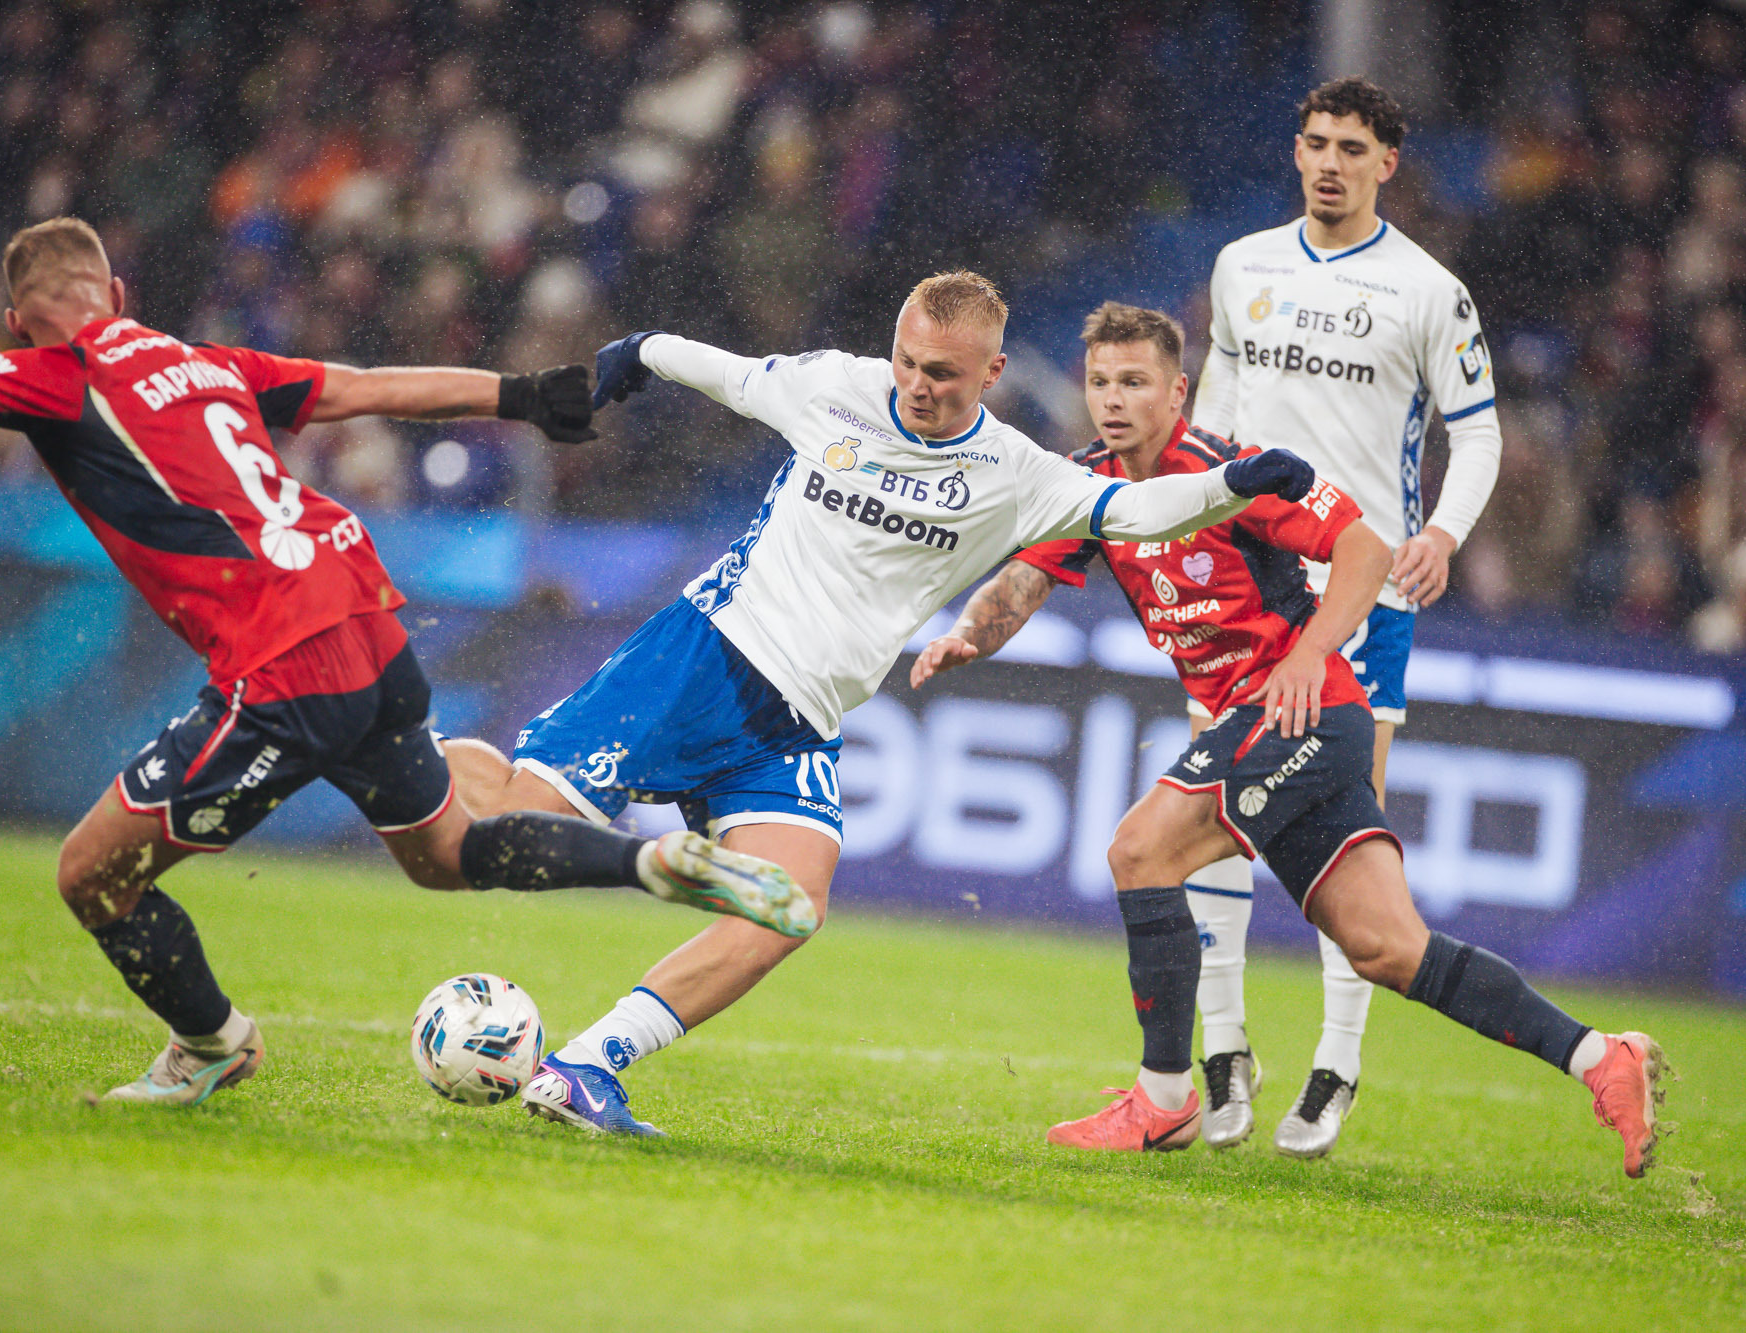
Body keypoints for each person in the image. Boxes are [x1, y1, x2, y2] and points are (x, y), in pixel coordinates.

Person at [0, 217, 813, 1108]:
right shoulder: (210, 362)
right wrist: (524, 394)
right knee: (447, 853)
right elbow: (368, 385)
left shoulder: (50, 376)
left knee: (90, 873)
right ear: (115, 296)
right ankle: (649, 866)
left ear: (20, 326)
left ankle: (212, 1044)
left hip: (285, 656)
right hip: (364, 611)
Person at [443, 270, 1319, 1135]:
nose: (919, 384)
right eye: (908, 361)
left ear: (992, 373)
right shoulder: (835, 388)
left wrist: (1234, 485)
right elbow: (731, 372)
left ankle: (587, 1066)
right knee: (511, 832)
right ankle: (401, 745)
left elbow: (1134, 509)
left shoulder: (1016, 472)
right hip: (706, 656)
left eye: (944, 372)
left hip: (796, 723)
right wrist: (642, 351)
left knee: (784, 903)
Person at [915, 300, 1665, 1178]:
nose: (1112, 399)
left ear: (1177, 391)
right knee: (1389, 947)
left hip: (1302, 712)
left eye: (1134, 382)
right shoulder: (1095, 488)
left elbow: (1365, 549)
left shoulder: (1236, 474)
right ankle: (1599, 1058)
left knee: (1139, 850)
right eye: (1100, 381)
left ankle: (1163, 1100)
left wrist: (1310, 654)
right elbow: (1025, 581)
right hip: (1279, 730)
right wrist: (970, 634)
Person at [1185, 76, 1506, 1156]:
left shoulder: (1428, 292)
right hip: (1243, 588)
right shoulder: (1242, 266)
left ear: (1387, 164)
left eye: (1351, 147)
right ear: (1295, 147)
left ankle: (1335, 1064)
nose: (1328, 161)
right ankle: (1223, 1055)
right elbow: (1210, 427)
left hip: (1358, 589)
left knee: (1350, 828)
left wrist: (1442, 534)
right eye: (1314, 141)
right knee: (1213, 807)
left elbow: (1479, 435)